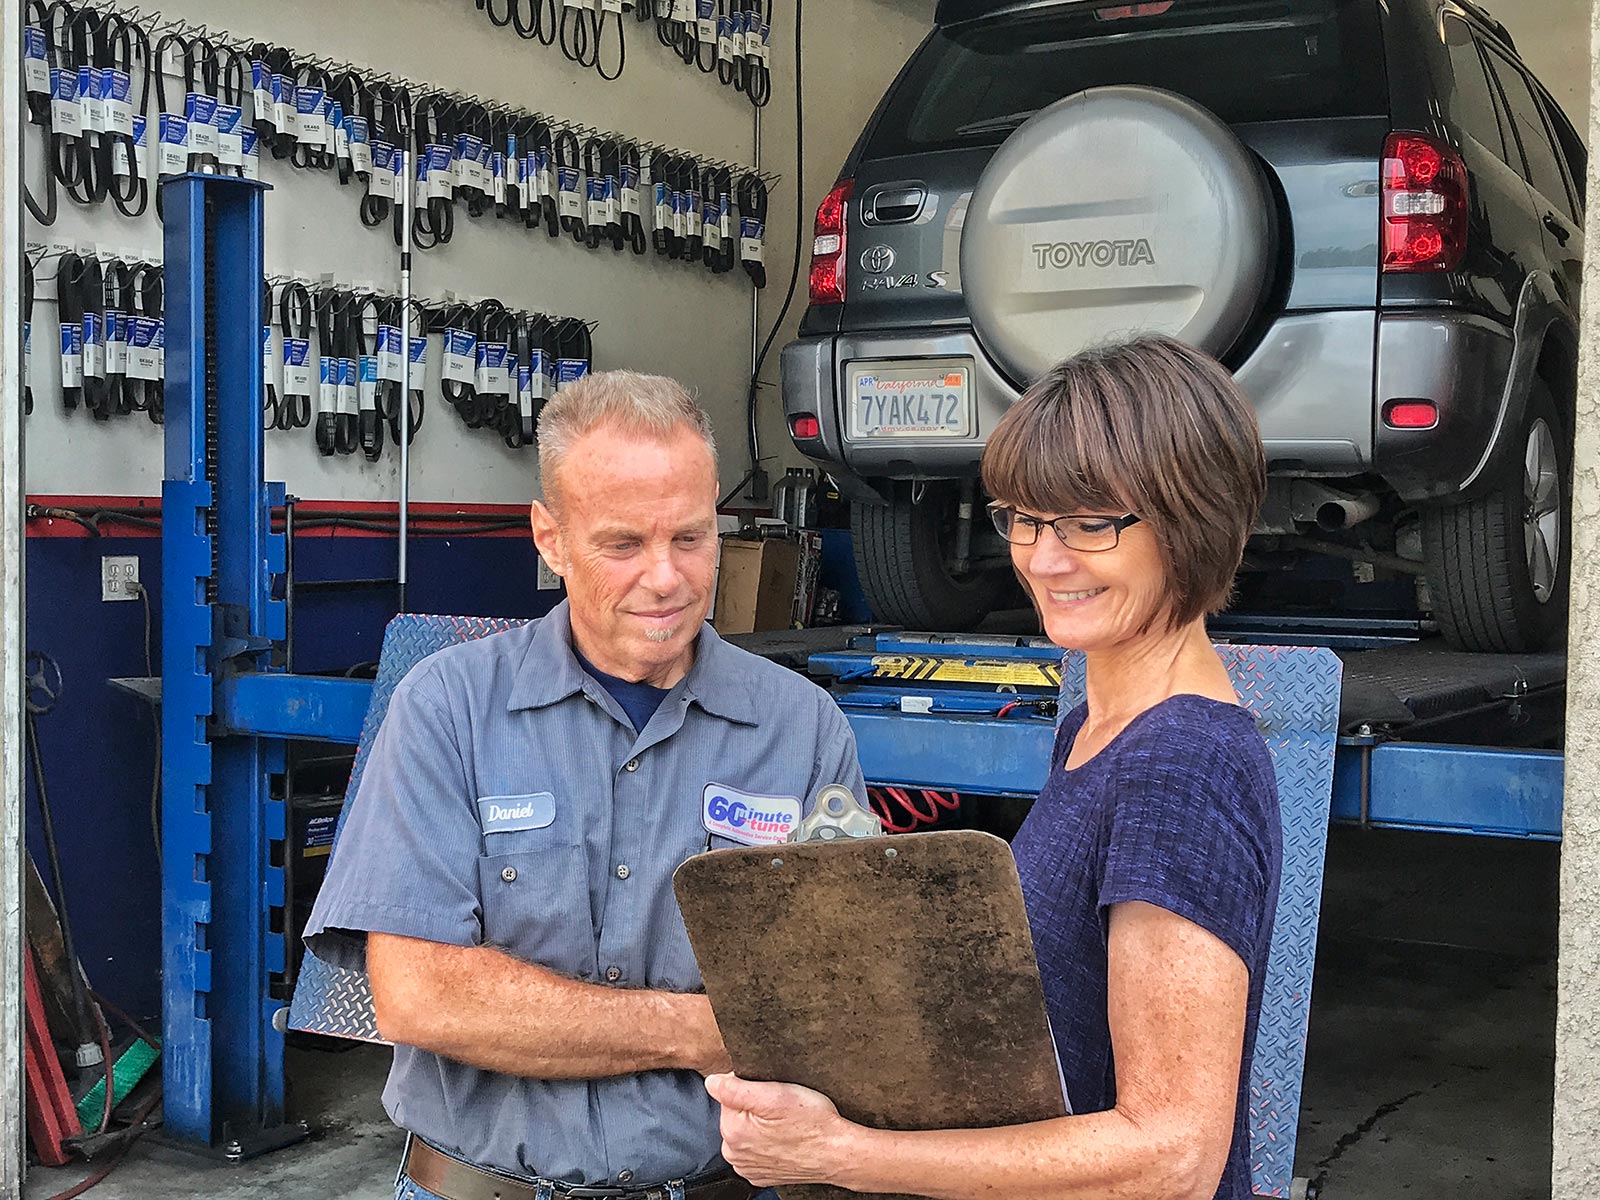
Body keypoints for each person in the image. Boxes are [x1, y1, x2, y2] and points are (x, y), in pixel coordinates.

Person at [706, 335, 1281, 1200]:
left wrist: (840, 1154)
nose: (1045, 559)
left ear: (1194, 519)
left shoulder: (1181, 762)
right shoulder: (1094, 727)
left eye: (1091, 523)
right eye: (1025, 517)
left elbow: (1172, 1155)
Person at [303, 371, 867, 1200]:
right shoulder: (449, 710)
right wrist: (696, 1029)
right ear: (551, 539)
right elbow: (422, 997)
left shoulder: (803, 729)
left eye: (690, 537)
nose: (666, 578)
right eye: (624, 544)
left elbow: (843, 996)